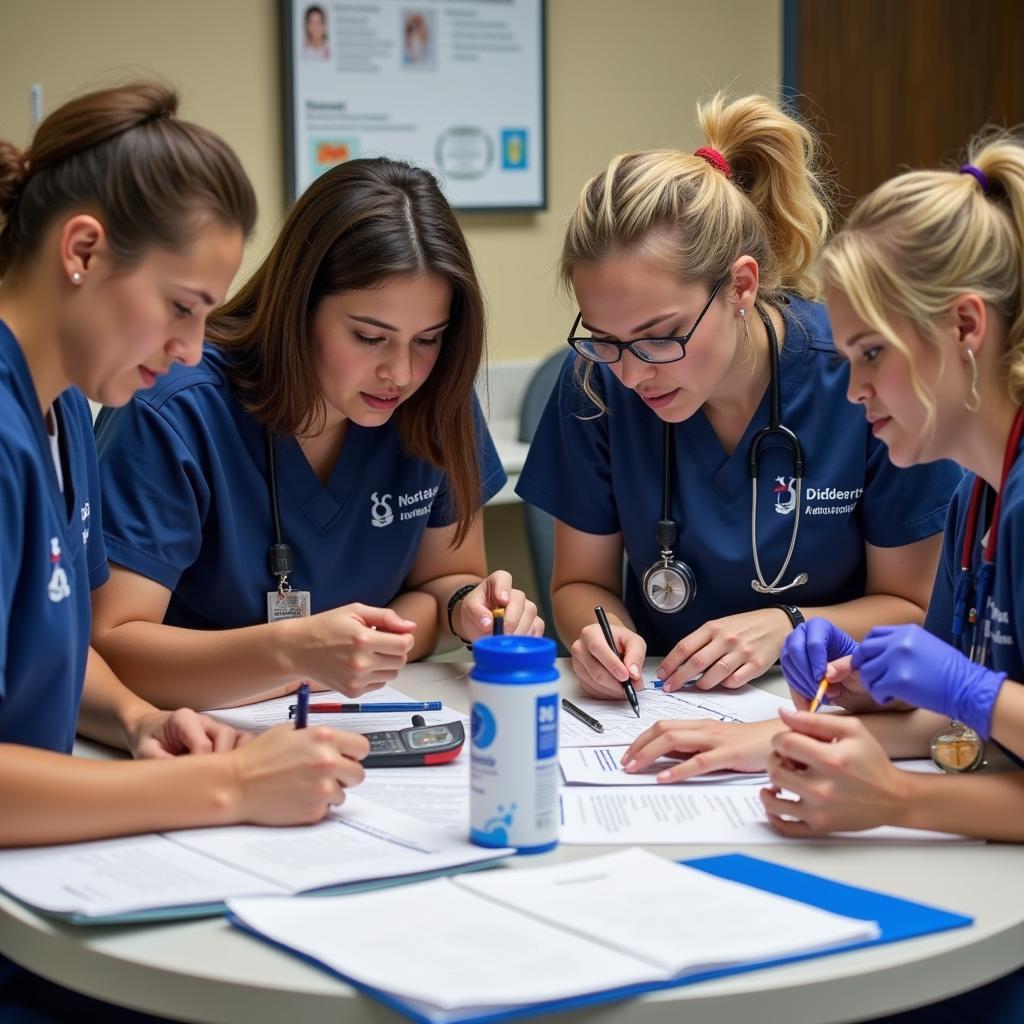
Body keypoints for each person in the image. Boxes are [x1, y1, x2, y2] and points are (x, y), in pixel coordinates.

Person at [0, 81, 370, 1021]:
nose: (194, 350)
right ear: (82, 251)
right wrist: (227, 783)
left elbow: (46, 643)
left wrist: (131, 718)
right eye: (182, 306)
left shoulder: (66, 414)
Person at [516, 92, 961, 711]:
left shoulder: (860, 380)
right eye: (605, 340)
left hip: (830, 707)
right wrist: (600, 634)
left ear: (741, 286)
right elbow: (579, 583)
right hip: (659, 706)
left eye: (661, 336)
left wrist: (788, 626)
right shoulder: (595, 386)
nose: (632, 372)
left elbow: (912, 610)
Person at [90, 156, 542, 712]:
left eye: (427, 339)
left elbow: (449, 577)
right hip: (197, 732)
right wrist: (294, 652)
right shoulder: (175, 410)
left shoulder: (437, 399)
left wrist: (465, 609)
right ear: (298, 307)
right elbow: (110, 644)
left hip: (366, 716)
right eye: (368, 336)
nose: (400, 374)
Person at [763, 130, 1024, 1024]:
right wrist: (873, 693)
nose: (852, 391)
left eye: (871, 354)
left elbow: (981, 711)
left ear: (963, 327)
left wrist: (900, 795)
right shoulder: (975, 502)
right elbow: (972, 732)